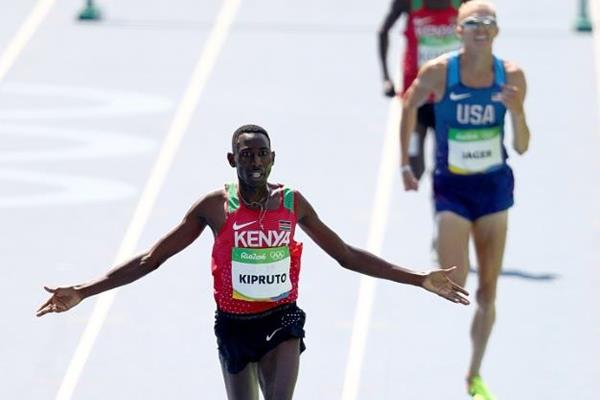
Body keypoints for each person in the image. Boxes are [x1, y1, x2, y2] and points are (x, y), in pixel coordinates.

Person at [37, 124, 470, 400]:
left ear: (273, 157)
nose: (255, 161)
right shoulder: (214, 207)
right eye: (246, 154)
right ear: (233, 160)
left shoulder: (292, 203)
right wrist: (84, 291)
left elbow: (346, 255)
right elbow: (152, 258)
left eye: (262, 153)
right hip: (233, 325)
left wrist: (419, 279)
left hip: (282, 318)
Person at [399, 1, 530, 399]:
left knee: (488, 294)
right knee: (455, 281)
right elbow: (408, 106)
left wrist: (517, 111)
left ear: (496, 32)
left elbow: (522, 146)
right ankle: (441, 237)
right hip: (452, 189)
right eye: (473, 22)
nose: (481, 28)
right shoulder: (439, 72)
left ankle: (473, 375)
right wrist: (405, 162)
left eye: (489, 22)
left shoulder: (511, 76)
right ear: (458, 30)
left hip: (493, 191)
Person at [378, 0, 466, 180]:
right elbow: (383, 32)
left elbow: (484, 33)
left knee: (450, 165)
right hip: (416, 100)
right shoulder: (408, 3)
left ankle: (443, 202)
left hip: (450, 98)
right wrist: (386, 78)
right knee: (413, 168)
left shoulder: (463, 3)